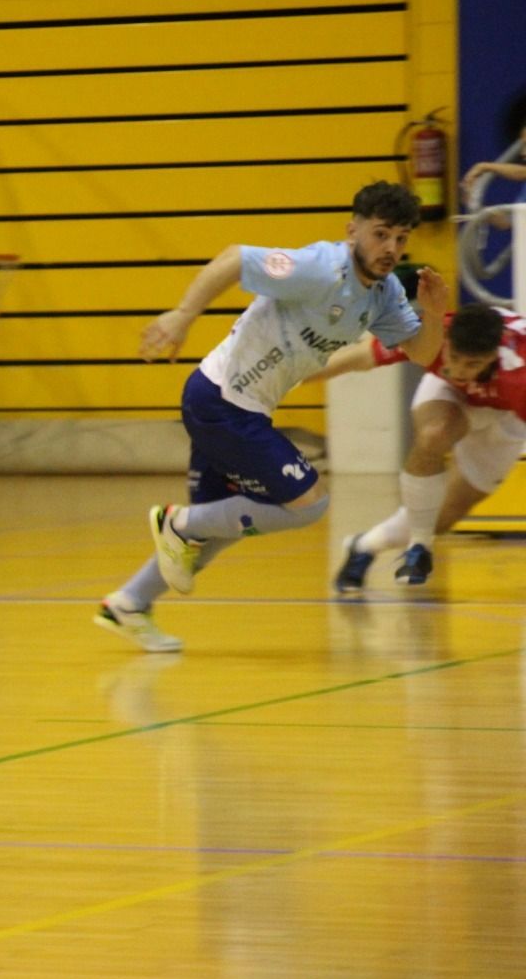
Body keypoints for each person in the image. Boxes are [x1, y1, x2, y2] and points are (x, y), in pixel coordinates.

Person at [93, 181, 447, 652]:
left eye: (401, 239)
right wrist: (182, 314)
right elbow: (235, 258)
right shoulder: (321, 267)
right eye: (381, 234)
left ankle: (129, 603)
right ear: (352, 230)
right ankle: (177, 523)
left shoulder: (383, 296)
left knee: (213, 533)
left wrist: (435, 311)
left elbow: (422, 353)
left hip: (244, 410)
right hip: (220, 401)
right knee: (310, 503)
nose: (390, 249)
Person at [324, 303, 526, 588]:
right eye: (454, 357)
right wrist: (284, 382)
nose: (458, 369)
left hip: (508, 415)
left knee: (442, 518)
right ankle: (419, 546)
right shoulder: (430, 335)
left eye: (472, 364)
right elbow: (359, 357)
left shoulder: (520, 377)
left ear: (492, 356)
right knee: (434, 434)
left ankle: (364, 545)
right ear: (447, 341)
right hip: (450, 396)